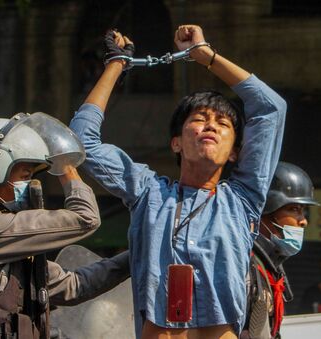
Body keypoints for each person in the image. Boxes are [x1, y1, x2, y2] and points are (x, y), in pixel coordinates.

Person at [70, 25, 287, 338]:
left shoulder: (242, 200)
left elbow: (271, 108)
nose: (210, 126)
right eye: (198, 119)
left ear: (235, 154)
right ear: (176, 143)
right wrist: (116, 63)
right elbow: (82, 142)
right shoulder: (148, 192)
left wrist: (207, 57)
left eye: (223, 123)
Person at [0, 113, 130, 339]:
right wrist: (67, 171)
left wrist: (137, 254)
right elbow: (85, 217)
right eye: (25, 175)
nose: (31, 184)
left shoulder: (6, 244)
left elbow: (74, 285)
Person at [242, 162, 319, 339]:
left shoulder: (269, 265)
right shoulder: (244, 266)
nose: (303, 221)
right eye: (294, 210)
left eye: (303, 211)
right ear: (267, 209)